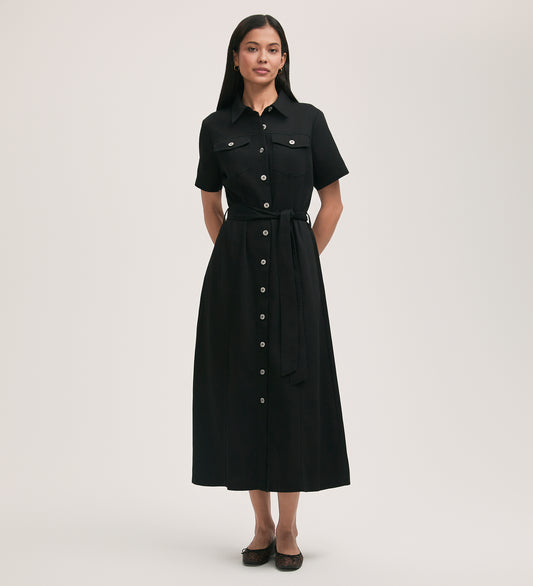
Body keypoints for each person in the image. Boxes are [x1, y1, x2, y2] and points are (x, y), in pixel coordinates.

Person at [192, 14, 350, 571]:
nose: (263, 57)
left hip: (293, 272)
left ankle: (288, 526)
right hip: (233, 279)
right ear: (236, 57)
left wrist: (300, 259)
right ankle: (259, 524)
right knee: (242, 390)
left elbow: (332, 203)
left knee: (291, 391)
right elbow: (210, 205)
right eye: (252, 48)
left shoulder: (309, 120)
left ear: (284, 59)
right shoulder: (216, 126)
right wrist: (235, 258)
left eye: (273, 48)